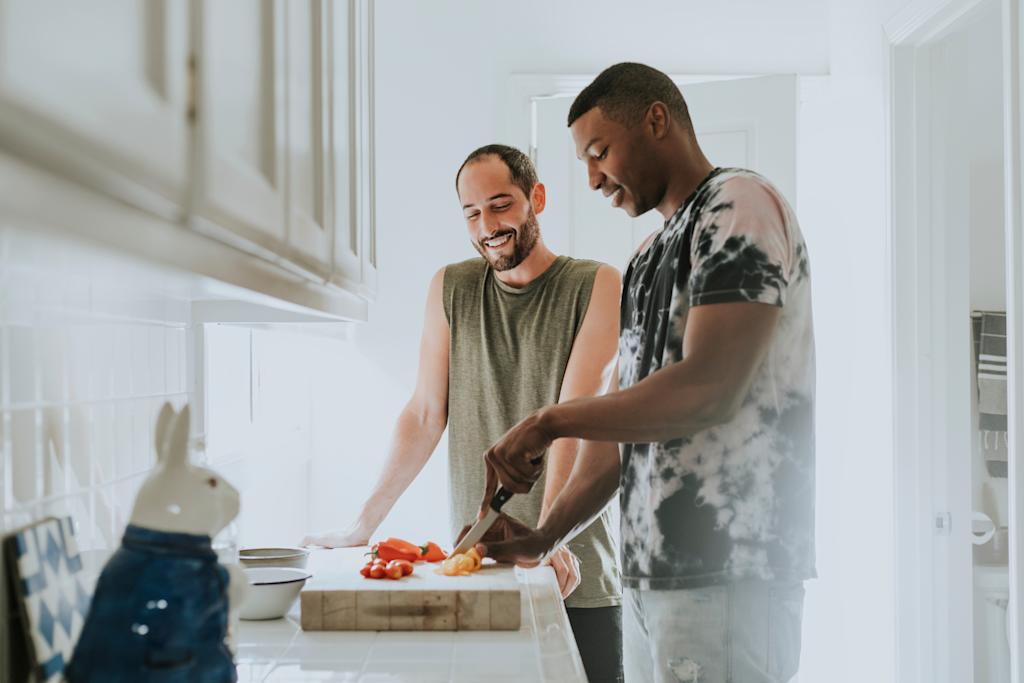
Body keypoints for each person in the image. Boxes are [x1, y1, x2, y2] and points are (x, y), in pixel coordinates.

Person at [470, 63, 816, 683]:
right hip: (652, 573)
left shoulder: (738, 205)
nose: (593, 178)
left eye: (599, 152)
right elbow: (620, 435)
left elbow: (709, 387)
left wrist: (549, 422)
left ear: (656, 120)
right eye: (583, 160)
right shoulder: (647, 255)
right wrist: (547, 535)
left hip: (730, 569)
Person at [303, 144, 625, 682]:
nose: (487, 226)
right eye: (472, 213)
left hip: (575, 576)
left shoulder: (596, 285)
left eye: (501, 205)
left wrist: (549, 540)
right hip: (482, 577)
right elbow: (426, 414)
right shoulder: (450, 288)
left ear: (536, 198)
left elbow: (574, 417)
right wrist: (362, 524)